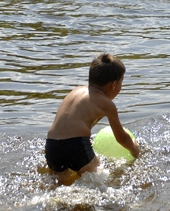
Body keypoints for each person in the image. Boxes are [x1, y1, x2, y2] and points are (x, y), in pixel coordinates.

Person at [45, 53, 140, 184]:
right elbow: (121, 137)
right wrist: (135, 149)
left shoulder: (75, 92)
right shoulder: (106, 104)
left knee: (56, 185)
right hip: (76, 144)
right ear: (114, 85)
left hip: (52, 144)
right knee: (100, 181)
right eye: (121, 83)